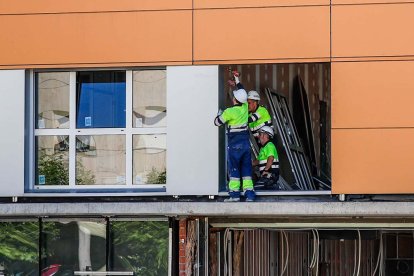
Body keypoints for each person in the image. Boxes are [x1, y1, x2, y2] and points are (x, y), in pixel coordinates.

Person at [214, 88, 256, 202]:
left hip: (234, 147)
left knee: (234, 170)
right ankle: (250, 195)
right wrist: (237, 80)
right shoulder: (245, 108)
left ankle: (234, 195)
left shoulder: (229, 112)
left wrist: (219, 114)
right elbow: (243, 91)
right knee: (247, 170)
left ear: (234, 100)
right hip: (245, 145)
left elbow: (217, 122)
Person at [229, 71, 273, 143]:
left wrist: (233, 116)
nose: (247, 105)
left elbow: (249, 120)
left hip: (267, 141)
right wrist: (236, 79)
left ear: (255, 103)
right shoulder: (249, 113)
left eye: (249, 103)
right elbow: (242, 91)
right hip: (258, 142)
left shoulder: (262, 111)